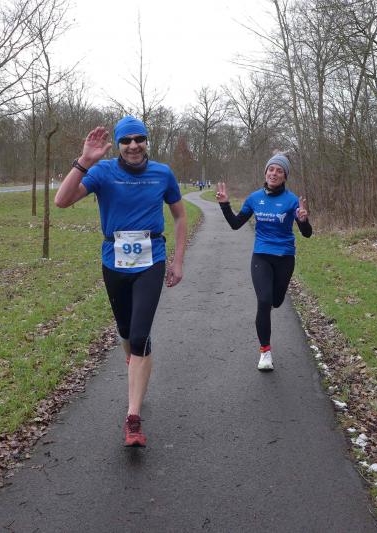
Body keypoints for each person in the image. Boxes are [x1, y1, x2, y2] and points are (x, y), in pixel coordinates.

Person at [55, 115, 187, 447]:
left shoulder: (162, 173)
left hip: (151, 260)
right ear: (118, 144)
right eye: (126, 140)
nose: (133, 146)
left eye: (138, 139)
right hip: (113, 262)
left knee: (140, 336)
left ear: (147, 141)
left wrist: (178, 260)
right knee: (126, 333)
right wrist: (84, 161)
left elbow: (180, 215)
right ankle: (134, 361)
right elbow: (62, 200)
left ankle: (133, 418)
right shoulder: (102, 171)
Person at [215, 153, 311, 371]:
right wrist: (225, 205)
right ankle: (265, 352)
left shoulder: (292, 200)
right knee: (264, 301)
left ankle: (272, 310)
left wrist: (304, 221)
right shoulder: (254, 198)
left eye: (279, 171)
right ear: (265, 172)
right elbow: (236, 224)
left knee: (276, 301)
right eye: (271, 169)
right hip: (261, 255)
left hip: (285, 257)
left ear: (285, 176)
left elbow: (306, 233)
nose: (274, 174)